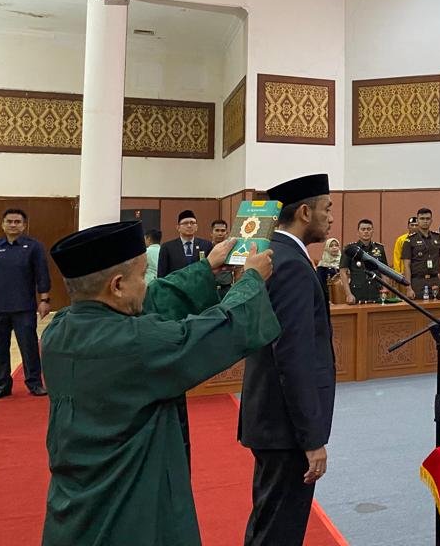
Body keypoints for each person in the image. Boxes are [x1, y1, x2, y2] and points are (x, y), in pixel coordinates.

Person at [41, 221, 278, 546]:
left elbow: (151, 301)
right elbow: (219, 330)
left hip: (73, 509)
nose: (146, 285)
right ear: (118, 285)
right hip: (129, 514)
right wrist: (252, 280)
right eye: (142, 276)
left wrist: (205, 269)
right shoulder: (136, 344)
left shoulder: (57, 331)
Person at [239, 173, 335, 546]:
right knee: (279, 531)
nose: (331, 217)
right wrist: (311, 439)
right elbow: (293, 357)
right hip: (286, 428)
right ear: (305, 212)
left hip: (273, 419)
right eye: (327, 209)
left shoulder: (273, 253)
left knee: (269, 524)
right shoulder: (292, 263)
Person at [0, 208, 50, 400]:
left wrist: (44, 300)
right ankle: (2, 385)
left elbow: (42, 274)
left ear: (24, 225)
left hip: (24, 307)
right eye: (9, 221)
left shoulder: (33, 247)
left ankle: (34, 383)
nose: (13, 225)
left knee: (29, 346)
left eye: (17, 222)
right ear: (3, 224)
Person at [403, 208, 440, 300]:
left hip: (435, 281)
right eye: (422, 218)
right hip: (417, 282)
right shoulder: (410, 240)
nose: (425, 221)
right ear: (418, 221)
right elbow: (406, 265)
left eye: (427, 219)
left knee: (437, 307)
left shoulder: (438, 238)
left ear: (431, 220)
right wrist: (408, 287)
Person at [342, 219, 389, 304]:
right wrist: (348, 294)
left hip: (376, 293)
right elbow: (343, 272)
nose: (366, 232)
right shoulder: (350, 249)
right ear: (358, 232)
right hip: (357, 293)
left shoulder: (379, 248)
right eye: (363, 229)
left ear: (372, 231)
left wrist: (385, 289)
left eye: (368, 229)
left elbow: (384, 271)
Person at [157, 210, 214, 278]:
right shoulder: (167, 247)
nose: (189, 226)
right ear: (178, 227)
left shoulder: (206, 245)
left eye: (192, 223)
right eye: (185, 223)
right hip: (176, 283)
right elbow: (161, 274)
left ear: (196, 227)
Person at [316, 236, 342, 306]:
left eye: (336, 245)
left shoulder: (343, 262)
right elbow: (320, 284)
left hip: (343, 296)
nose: (334, 247)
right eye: (331, 246)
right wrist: (327, 299)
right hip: (328, 299)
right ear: (327, 248)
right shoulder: (322, 266)